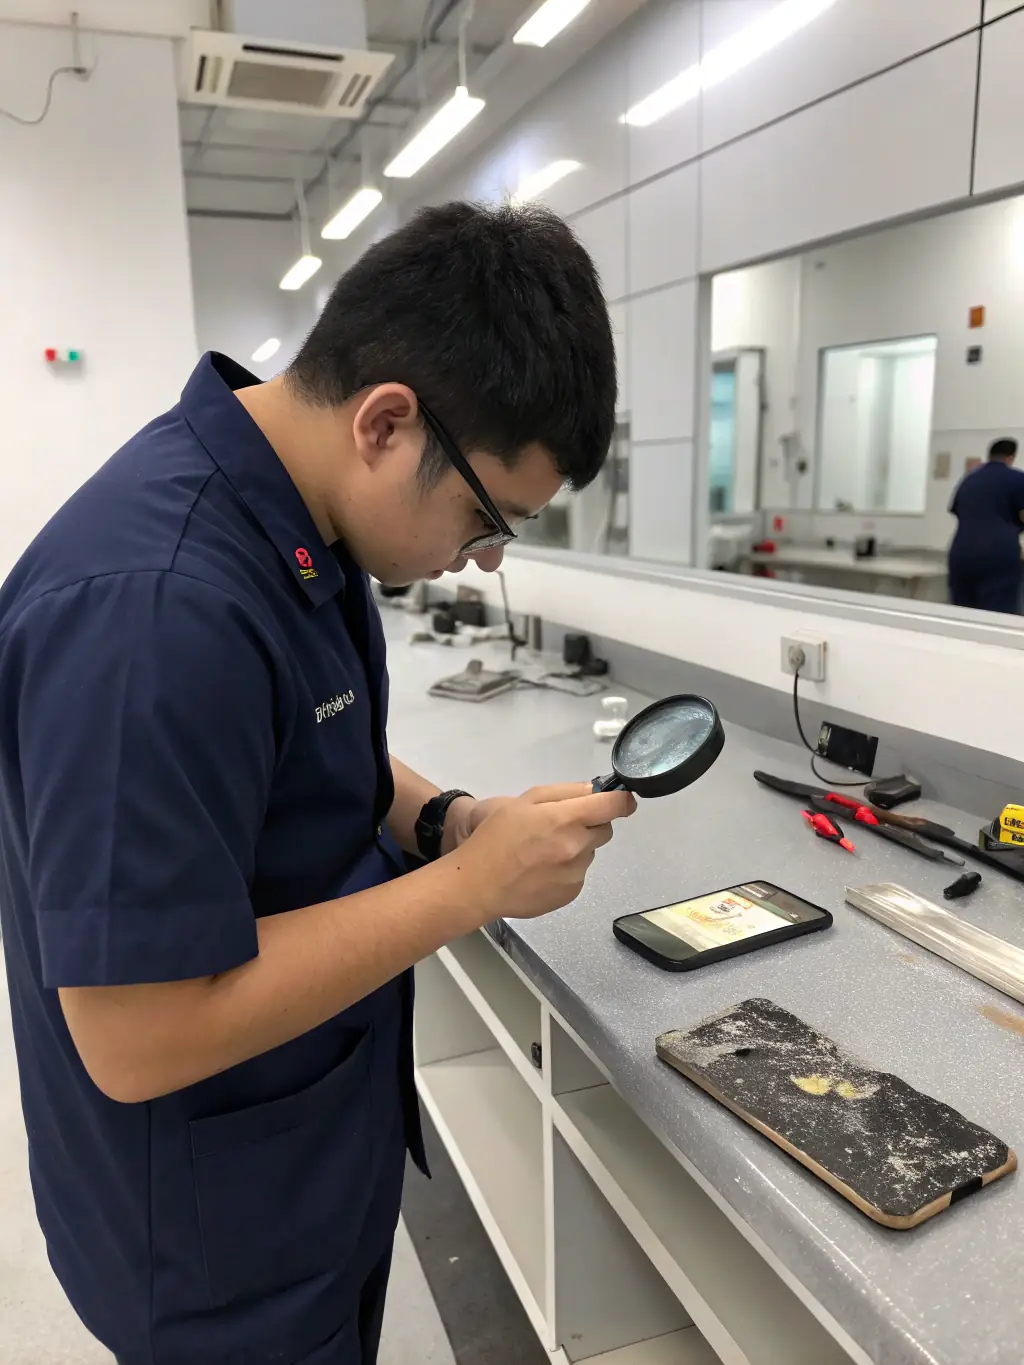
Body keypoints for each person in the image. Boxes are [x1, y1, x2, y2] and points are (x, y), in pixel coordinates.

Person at [0, 201, 635, 1365]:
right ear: (387, 422)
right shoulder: (159, 610)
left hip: (296, 1165)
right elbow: (135, 1035)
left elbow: (304, 742)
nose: (484, 558)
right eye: (489, 518)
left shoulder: (295, 518)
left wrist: (446, 818)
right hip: (211, 1251)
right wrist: (470, 889)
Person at [948, 436, 1024, 613]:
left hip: (961, 553)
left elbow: (957, 511)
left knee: (962, 614)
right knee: (996, 617)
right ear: (1011, 457)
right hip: (998, 556)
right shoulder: (1017, 479)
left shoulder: (969, 479)